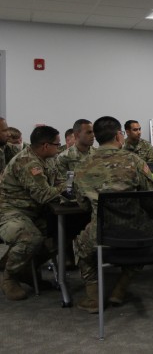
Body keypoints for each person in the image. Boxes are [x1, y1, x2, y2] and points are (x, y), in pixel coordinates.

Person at [73, 116, 153, 313]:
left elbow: (83, 204)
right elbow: (150, 197)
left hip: (102, 231)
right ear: (119, 135)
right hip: (137, 229)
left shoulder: (82, 166)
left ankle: (93, 297)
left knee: (80, 248)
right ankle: (120, 287)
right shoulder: (135, 160)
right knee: (150, 235)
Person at [0, 126, 65, 300]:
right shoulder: (27, 162)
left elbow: (59, 180)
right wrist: (66, 188)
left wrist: (64, 187)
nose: (59, 148)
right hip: (11, 212)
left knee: (61, 236)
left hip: (36, 212)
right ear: (45, 145)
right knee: (30, 238)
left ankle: (26, 269)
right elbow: (44, 195)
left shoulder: (49, 159)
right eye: (57, 145)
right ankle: (10, 276)